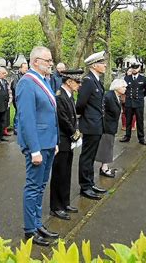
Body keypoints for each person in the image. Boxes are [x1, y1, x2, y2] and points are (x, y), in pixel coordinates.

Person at [17, 46, 59, 247]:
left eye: (51, 60)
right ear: (35, 62)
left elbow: (51, 114)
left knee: (41, 186)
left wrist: (55, 141)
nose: (51, 63)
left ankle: (37, 223)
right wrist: (34, 149)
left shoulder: (44, 81)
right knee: (33, 187)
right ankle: (30, 230)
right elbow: (27, 119)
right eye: (47, 60)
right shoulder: (27, 83)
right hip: (38, 146)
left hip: (48, 143)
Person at [49, 70, 83, 221]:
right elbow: (63, 119)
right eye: (77, 82)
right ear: (69, 82)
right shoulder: (60, 96)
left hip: (68, 140)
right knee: (59, 174)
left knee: (67, 172)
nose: (79, 85)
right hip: (62, 139)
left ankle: (65, 202)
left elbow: (72, 117)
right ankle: (56, 207)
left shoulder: (69, 96)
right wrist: (75, 134)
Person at [76, 51, 107, 200]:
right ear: (95, 65)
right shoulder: (88, 80)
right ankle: (85, 186)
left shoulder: (97, 81)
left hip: (96, 124)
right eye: (102, 63)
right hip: (90, 124)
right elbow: (80, 103)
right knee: (87, 157)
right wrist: (86, 118)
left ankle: (90, 182)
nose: (105, 65)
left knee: (92, 155)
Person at [96, 79, 127, 178]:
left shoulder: (116, 96)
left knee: (108, 146)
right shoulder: (109, 96)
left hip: (111, 126)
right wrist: (104, 127)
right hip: (107, 127)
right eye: (123, 87)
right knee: (106, 147)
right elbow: (103, 112)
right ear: (117, 87)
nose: (125, 88)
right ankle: (104, 168)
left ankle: (105, 167)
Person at [120, 62, 146, 145]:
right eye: (133, 67)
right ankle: (127, 136)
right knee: (128, 121)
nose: (134, 69)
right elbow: (124, 90)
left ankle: (141, 138)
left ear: (139, 68)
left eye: (136, 67)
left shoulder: (143, 79)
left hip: (139, 103)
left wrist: (140, 97)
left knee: (140, 121)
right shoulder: (126, 78)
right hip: (129, 103)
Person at [11, 62, 28, 135]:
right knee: (18, 113)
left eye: (27, 68)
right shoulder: (16, 77)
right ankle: (16, 128)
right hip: (18, 99)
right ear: (20, 68)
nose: (26, 70)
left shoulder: (27, 76)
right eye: (25, 68)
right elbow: (15, 87)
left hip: (26, 98)